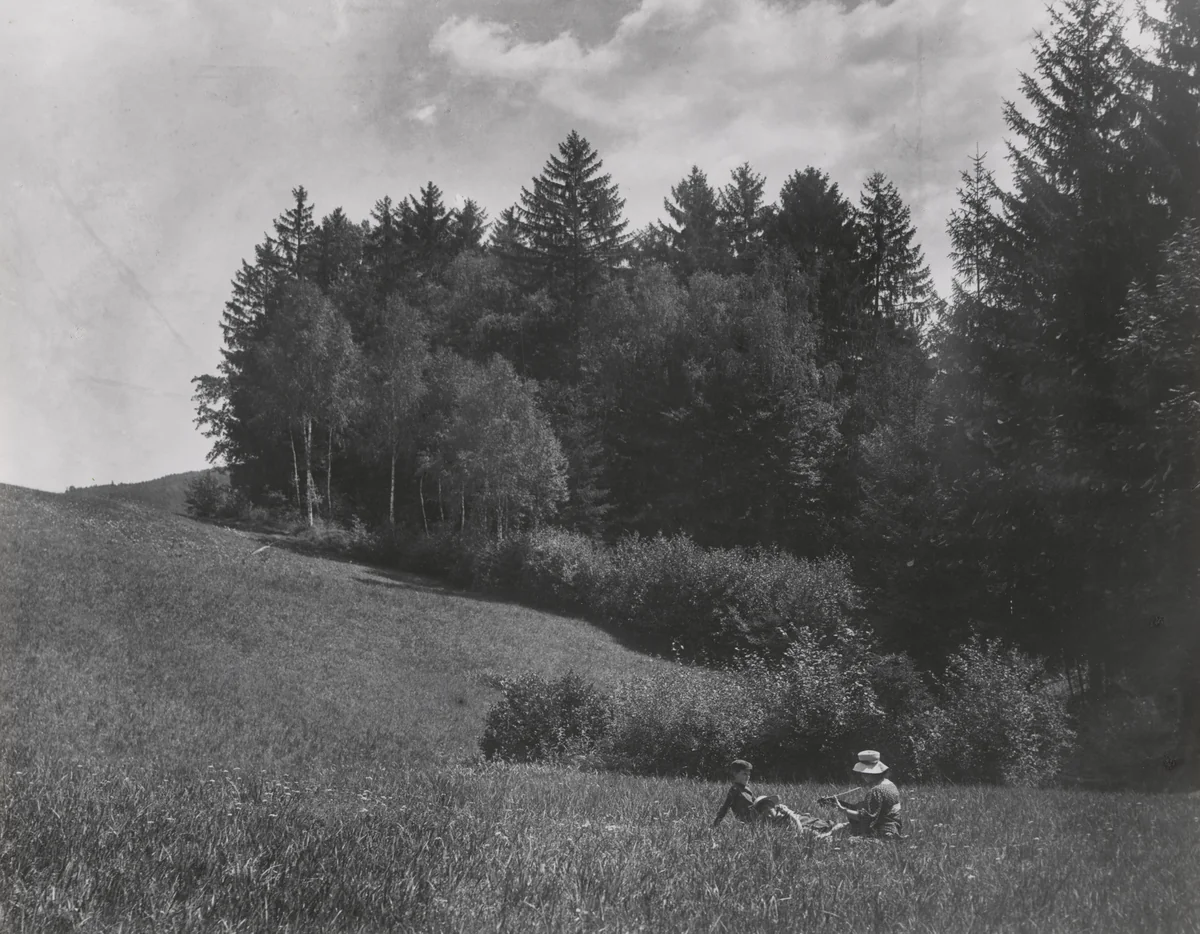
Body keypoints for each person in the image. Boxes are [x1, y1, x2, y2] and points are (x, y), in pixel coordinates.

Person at [712, 759, 833, 833]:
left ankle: (825, 824)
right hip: (753, 821)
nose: (747, 777)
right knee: (789, 821)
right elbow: (724, 809)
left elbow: (755, 803)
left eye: (749, 774)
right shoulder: (734, 790)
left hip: (761, 816)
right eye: (744, 774)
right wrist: (714, 826)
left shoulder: (746, 789)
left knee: (795, 816)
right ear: (734, 774)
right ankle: (822, 827)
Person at [816, 750, 902, 839]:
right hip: (893, 830)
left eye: (865, 773)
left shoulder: (876, 791)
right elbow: (873, 811)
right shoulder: (890, 784)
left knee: (837, 839)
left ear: (874, 772)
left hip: (881, 833)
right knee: (839, 828)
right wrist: (835, 802)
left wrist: (842, 809)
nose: (862, 776)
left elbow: (866, 818)